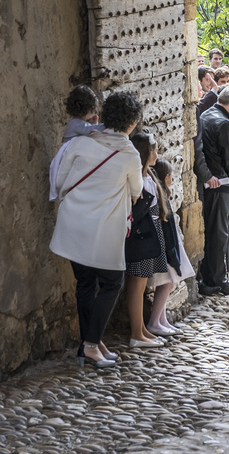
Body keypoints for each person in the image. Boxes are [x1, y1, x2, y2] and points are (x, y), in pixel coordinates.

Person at [50, 90, 143, 369]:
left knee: (86, 284)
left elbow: (61, 180)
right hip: (103, 230)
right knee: (112, 283)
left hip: (73, 225)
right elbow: (136, 192)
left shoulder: (80, 144)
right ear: (132, 123)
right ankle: (91, 344)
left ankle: (89, 343)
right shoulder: (130, 156)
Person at [126, 132, 173, 349]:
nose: (156, 153)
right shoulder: (137, 178)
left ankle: (143, 329)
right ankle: (136, 332)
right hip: (140, 236)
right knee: (137, 283)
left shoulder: (150, 175)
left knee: (143, 283)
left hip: (151, 234)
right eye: (153, 150)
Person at [199, 84, 229, 296]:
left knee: (211, 231)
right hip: (221, 184)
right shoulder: (225, 123)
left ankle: (209, 277)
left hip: (208, 182)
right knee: (219, 234)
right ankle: (219, 279)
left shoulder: (207, 114)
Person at [146, 157, 195, 336]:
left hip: (168, 246)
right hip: (164, 248)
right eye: (171, 176)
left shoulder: (162, 195)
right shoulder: (159, 197)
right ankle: (154, 322)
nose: (172, 179)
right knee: (167, 283)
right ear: (165, 177)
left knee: (169, 283)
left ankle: (161, 319)